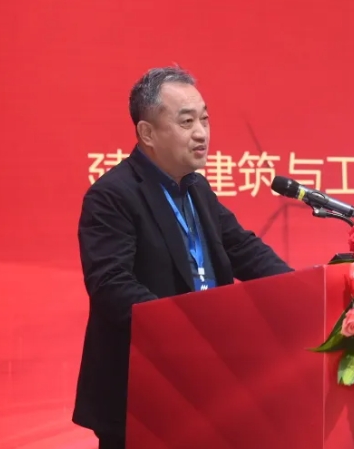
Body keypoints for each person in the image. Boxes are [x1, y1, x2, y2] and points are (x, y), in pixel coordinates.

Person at [72, 66, 293, 449]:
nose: (202, 133)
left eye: (204, 119)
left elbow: (244, 250)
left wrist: (299, 289)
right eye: (187, 121)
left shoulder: (195, 188)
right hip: (141, 393)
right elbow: (111, 286)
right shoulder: (112, 196)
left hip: (207, 386)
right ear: (147, 133)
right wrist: (187, 332)